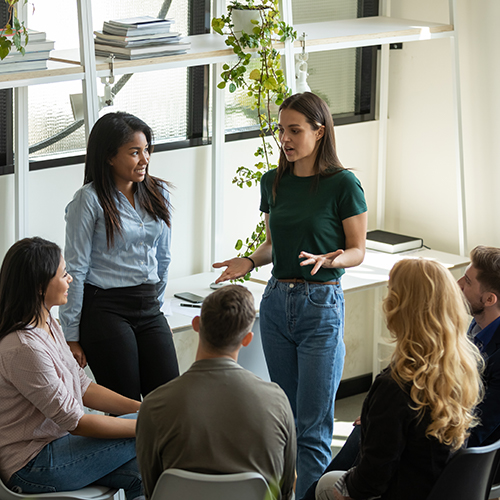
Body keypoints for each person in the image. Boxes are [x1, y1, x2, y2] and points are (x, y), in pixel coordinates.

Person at [213, 92, 368, 498]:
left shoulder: (343, 184)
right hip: (277, 303)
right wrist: (248, 261)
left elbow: (357, 249)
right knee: (286, 419)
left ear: (320, 132)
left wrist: (330, 259)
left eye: (295, 130)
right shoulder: (273, 182)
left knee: (314, 426)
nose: (286, 137)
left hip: (321, 303)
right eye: (282, 129)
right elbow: (273, 246)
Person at [314, 258, 483, 500]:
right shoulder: (462, 370)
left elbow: (370, 482)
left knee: (325, 486)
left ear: (400, 308)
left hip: (401, 490)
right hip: (437, 488)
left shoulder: (395, 386)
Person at [0, 237, 144, 499]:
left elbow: (83, 384)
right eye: (64, 273)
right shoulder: (24, 348)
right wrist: (154, 422)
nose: (71, 279)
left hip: (60, 444)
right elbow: (76, 422)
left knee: (143, 471)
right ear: (40, 287)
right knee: (156, 432)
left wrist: (142, 409)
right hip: (32, 465)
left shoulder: (47, 323)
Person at [59, 111, 179, 401]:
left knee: (170, 401)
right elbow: (76, 269)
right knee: (125, 405)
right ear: (110, 157)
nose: (145, 159)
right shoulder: (88, 201)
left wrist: (156, 301)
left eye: (147, 150)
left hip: (148, 305)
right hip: (105, 309)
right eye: (134, 152)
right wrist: (71, 336)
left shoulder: (158, 192)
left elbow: (163, 257)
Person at [136, 285, 296, 500]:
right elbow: (285, 488)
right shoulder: (276, 400)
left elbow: (152, 489)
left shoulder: (155, 405)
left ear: (197, 324)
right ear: (247, 339)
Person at [458, 245, 500, 447]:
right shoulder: (477, 326)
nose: (457, 285)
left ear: (489, 299)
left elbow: (478, 431)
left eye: (467, 282)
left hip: (474, 456)